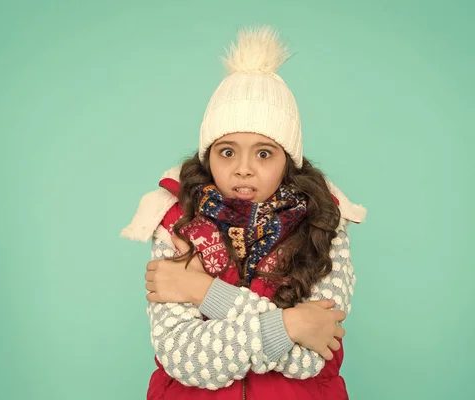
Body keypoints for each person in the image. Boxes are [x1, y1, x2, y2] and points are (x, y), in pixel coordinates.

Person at [121, 25, 367, 400]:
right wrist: (291, 323)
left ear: (288, 161)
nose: (243, 168)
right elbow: (183, 356)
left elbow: (309, 359)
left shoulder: (325, 225)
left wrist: (203, 290)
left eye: (264, 153)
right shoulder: (176, 225)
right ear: (208, 156)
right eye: (227, 151)